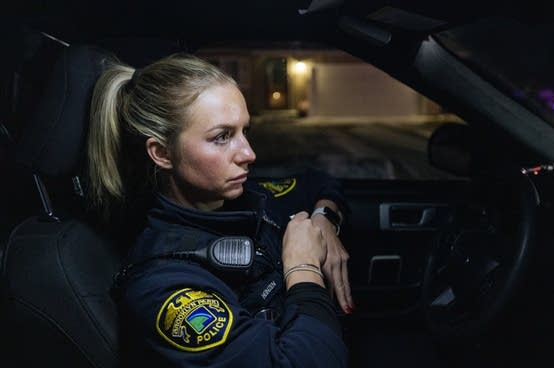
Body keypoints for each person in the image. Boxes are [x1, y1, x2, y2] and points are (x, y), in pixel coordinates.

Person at [86, 52, 354, 367]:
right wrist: (304, 267)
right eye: (222, 137)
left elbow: (316, 184)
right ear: (161, 153)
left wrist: (324, 218)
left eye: (245, 131)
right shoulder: (164, 286)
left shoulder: (246, 198)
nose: (249, 154)